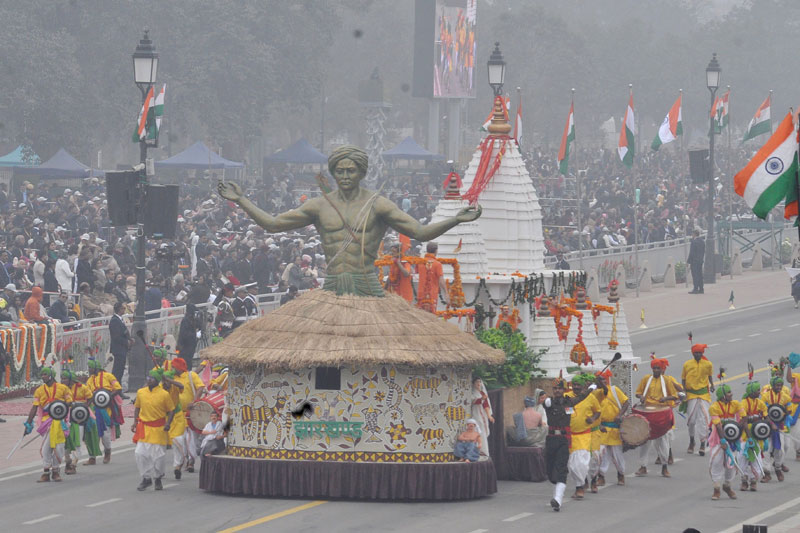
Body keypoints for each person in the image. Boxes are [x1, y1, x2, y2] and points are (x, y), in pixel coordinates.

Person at [217, 144, 480, 299]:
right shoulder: (320, 205)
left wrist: (455, 219)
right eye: (339, 171)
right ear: (332, 173)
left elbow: (420, 232)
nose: (344, 175)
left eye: (350, 170)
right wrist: (242, 200)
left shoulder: (377, 204)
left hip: (367, 284)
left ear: (361, 172)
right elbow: (273, 224)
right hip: (332, 285)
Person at [24, 367, 73, 482]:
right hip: (46, 422)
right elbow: (35, 407)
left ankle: (55, 472)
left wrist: (60, 407)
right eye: (42, 375)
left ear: (51, 375)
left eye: (45, 374)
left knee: (59, 447)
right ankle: (46, 472)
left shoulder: (63, 388)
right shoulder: (39, 390)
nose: (43, 377)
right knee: (47, 447)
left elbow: (69, 402)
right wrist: (28, 424)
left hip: (60, 421)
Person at [131, 368, 176, 491]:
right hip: (144, 428)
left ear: (157, 381)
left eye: (151, 378)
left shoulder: (164, 394)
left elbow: (171, 410)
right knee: (140, 453)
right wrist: (135, 422)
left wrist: (168, 423)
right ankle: (146, 478)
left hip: (159, 429)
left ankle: (157, 478)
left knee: (158, 457)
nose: (149, 380)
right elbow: (137, 408)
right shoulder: (141, 392)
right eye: (148, 378)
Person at [635, 358, 679, 477]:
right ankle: (643, 466)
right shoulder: (646, 379)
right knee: (645, 440)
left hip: (661, 413)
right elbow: (638, 392)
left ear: (662, 369)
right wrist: (641, 397)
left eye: (658, 368)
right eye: (654, 368)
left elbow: (675, 396)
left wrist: (666, 399)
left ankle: (664, 467)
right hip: (647, 412)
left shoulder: (666, 380)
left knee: (663, 440)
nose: (656, 370)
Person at [566, 373, 602, 500]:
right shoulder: (567, 397)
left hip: (584, 435)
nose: (575, 387)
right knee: (572, 465)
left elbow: (598, 412)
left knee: (581, 463)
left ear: (582, 386)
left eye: (578, 385)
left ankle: (580, 487)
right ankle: (580, 484)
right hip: (570, 436)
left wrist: (592, 419)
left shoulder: (590, 397)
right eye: (574, 384)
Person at [708, 384, 744, 500]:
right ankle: (716, 488)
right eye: (729, 392)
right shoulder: (714, 407)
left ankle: (727, 486)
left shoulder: (736, 404)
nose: (731, 394)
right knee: (716, 461)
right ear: (723, 396)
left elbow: (744, 418)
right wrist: (723, 440)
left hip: (733, 438)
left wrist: (738, 435)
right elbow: (718, 426)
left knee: (731, 463)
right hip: (719, 438)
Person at [543, 378, 574, 512]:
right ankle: (558, 483)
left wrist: (590, 389)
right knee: (550, 470)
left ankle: (558, 499)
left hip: (563, 439)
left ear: (564, 389)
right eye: (555, 388)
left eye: (559, 388)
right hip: (551, 439)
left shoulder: (569, 402)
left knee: (561, 468)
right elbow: (544, 402)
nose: (557, 391)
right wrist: (546, 401)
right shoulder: (549, 402)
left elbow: (581, 398)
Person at [61, 369, 99, 475]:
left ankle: (73, 464)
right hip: (66, 418)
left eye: (64, 378)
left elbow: (90, 398)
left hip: (80, 418)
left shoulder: (83, 388)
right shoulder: (62, 389)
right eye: (62, 378)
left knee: (77, 442)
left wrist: (85, 408)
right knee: (65, 443)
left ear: (71, 380)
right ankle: (68, 461)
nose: (62, 380)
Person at [596, 370, 630, 487]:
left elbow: (626, 403)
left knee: (617, 454)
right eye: (601, 380)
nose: (603, 382)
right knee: (602, 454)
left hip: (615, 429)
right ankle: (601, 476)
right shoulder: (595, 394)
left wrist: (619, 415)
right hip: (602, 428)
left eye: (605, 379)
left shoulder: (615, 390)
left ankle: (621, 474)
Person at [85, 358, 123, 465]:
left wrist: (108, 396)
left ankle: (107, 452)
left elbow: (118, 388)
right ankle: (92, 457)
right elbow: (88, 394)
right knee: (92, 432)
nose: (89, 369)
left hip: (107, 408)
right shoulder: (90, 380)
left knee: (105, 433)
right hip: (94, 408)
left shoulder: (108, 376)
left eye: (91, 367)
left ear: (96, 368)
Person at [171, 357, 206, 473]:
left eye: (173, 367)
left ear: (179, 367)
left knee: (191, 439)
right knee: (180, 439)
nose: (172, 369)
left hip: (191, 412)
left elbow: (200, 387)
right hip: (177, 414)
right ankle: (182, 461)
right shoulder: (172, 378)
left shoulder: (191, 375)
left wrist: (194, 401)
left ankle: (191, 461)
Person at [682, 343, 714, 456]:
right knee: (691, 420)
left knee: (704, 419)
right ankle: (692, 441)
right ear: (692, 353)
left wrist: (712, 385)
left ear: (702, 353)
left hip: (704, 394)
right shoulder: (687, 364)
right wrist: (684, 392)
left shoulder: (708, 364)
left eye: (700, 352)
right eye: (696, 353)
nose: (698, 354)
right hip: (691, 395)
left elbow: (710, 376)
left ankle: (702, 443)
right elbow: (683, 379)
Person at [761, 375, 792, 482]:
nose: (779, 387)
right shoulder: (765, 396)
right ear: (772, 385)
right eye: (777, 385)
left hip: (781, 425)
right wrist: (771, 423)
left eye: (781, 385)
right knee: (766, 449)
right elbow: (764, 412)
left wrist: (786, 412)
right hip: (768, 426)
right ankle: (766, 473)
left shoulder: (785, 396)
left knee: (781, 449)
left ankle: (778, 467)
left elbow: (789, 410)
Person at [739, 381, 767, 491]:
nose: (759, 392)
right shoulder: (743, 403)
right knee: (742, 458)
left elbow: (766, 417)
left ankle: (753, 481)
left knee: (756, 459)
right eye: (757, 390)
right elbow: (744, 421)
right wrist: (749, 436)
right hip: (745, 436)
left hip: (757, 436)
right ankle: (744, 481)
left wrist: (771, 426)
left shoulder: (760, 403)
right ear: (751, 392)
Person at [416, 242, 449, 312]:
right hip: (432, 294)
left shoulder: (420, 262)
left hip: (421, 294)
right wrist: (446, 292)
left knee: (421, 316)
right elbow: (441, 279)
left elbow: (415, 272)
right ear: (436, 250)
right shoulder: (437, 264)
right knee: (430, 317)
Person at [108, 301, 132, 389]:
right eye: (123, 308)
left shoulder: (120, 320)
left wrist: (130, 339)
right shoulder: (114, 321)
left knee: (121, 370)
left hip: (122, 349)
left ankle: (119, 388)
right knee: (117, 370)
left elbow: (124, 332)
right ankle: (115, 388)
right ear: (119, 309)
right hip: (118, 349)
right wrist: (126, 342)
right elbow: (116, 337)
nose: (124, 310)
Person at [470, 377, 494, 456]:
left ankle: (483, 450)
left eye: (480, 382)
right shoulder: (471, 392)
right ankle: (476, 450)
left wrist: (489, 416)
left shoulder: (482, 393)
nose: (478, 384)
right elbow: (472, 401)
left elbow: (485, 405)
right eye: (477, 382)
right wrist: (480, 399)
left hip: (482, 414)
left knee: (483, 430)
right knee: (476, 429)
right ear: (473, 383)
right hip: (475, 413)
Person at [176, 303, 202, 371]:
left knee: (189, 359)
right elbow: (184, 334)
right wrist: (194, 335)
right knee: (185, 361)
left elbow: (199, 325)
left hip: (191, 345)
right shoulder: (185, 320)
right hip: (185, 345)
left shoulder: (192, 319)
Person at [687, 229, 705, 294]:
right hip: (700, 260)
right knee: (700, 275)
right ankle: (701, 288)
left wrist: (688, 261)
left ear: (694, 234)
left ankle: (695, 288)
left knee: (695, 275)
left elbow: (691, 252)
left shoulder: (694, 242)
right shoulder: (702, 241)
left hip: (694, 261)